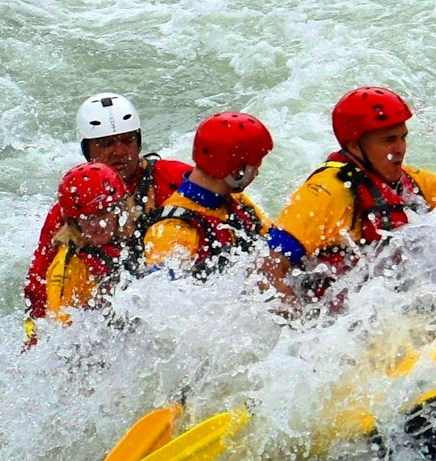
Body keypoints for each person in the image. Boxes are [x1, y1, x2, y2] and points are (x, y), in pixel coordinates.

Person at [261, 87, 436, 305]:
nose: (401, 148)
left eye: (403, 137)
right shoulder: (325, 193)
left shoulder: (412, 180)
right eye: (388, 140)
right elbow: (267, 268)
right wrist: (298, 325)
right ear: (354, 145)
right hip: (337, 320)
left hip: (396, 302)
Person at [23, 93, 190, 318]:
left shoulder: (173, 178)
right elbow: (38, 286)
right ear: (87, 150)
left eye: (127, 141)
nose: (120, 152)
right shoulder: (73, 205)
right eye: (106, 144)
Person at [142, 113, 275, 277]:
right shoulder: (172, 230)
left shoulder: (239, 203)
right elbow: (161, 295)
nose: (257, 173)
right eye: (255, 166)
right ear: (236, 171)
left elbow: (277, 246)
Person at [34, 163, 131, 327]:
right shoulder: (68, 267)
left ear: (118, 210)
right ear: (74, 222)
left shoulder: (131, 237)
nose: (97, 224)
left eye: (102, 213)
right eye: (87, 217)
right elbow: (61, 336)